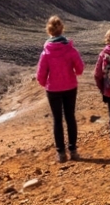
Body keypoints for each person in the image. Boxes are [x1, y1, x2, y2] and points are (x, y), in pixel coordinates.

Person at [37, 15, 85, 162]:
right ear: (62, 29)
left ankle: (61, 153)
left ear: (49, 31)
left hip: (53, 90)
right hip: (70, 87)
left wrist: (47, 84)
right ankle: (73, 150)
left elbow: (40, 75)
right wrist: (73, 74)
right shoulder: (70, 49)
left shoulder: (46, 52)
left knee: (57, 120)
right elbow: (80, 69)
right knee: (70, 117)